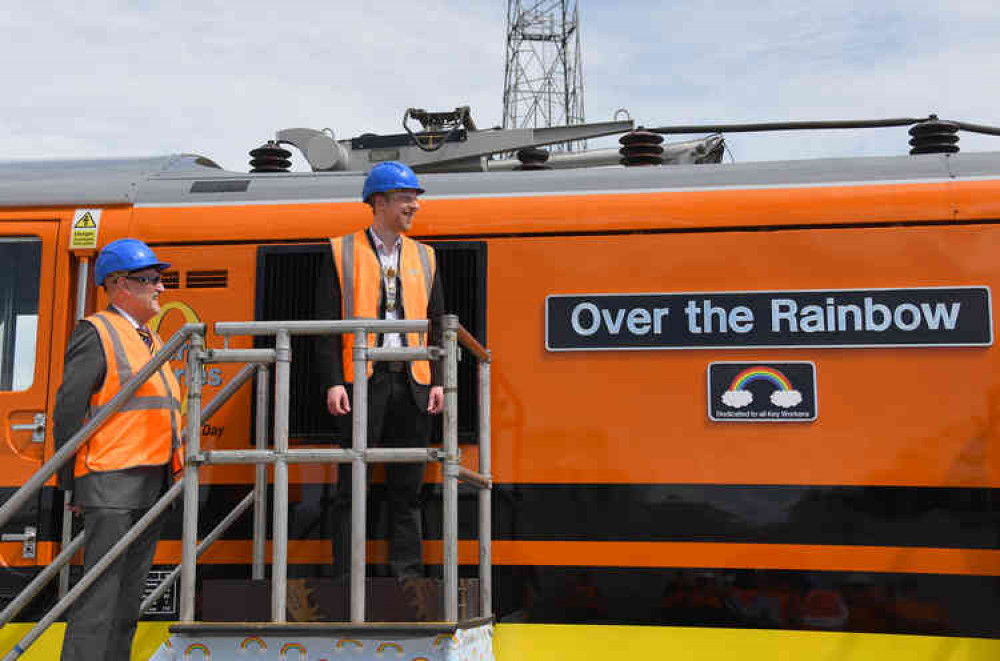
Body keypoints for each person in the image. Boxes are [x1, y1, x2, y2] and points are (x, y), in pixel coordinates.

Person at [315, 161, 444, 581]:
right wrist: (333, 380)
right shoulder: (340, 250)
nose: (415, 207)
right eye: (408, 199)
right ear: (379, 202)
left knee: (409, 490)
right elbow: (326, 325)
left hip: (414, 383)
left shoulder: (426, 256)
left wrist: (440, 381)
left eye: (415, 199)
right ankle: (346, 579)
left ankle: (407, 580)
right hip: (362, 382)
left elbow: (439, 325)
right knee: (352, 488)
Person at [55, 238, 182, 660]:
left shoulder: (147, 337)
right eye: (149, 280)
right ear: (119, 284)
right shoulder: (97, 331)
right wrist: (70, 481)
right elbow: (69, 411)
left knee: (128, 601)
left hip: (151, 480)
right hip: (111, 481)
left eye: (159, 279)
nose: (160, 288)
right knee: (100, 599)